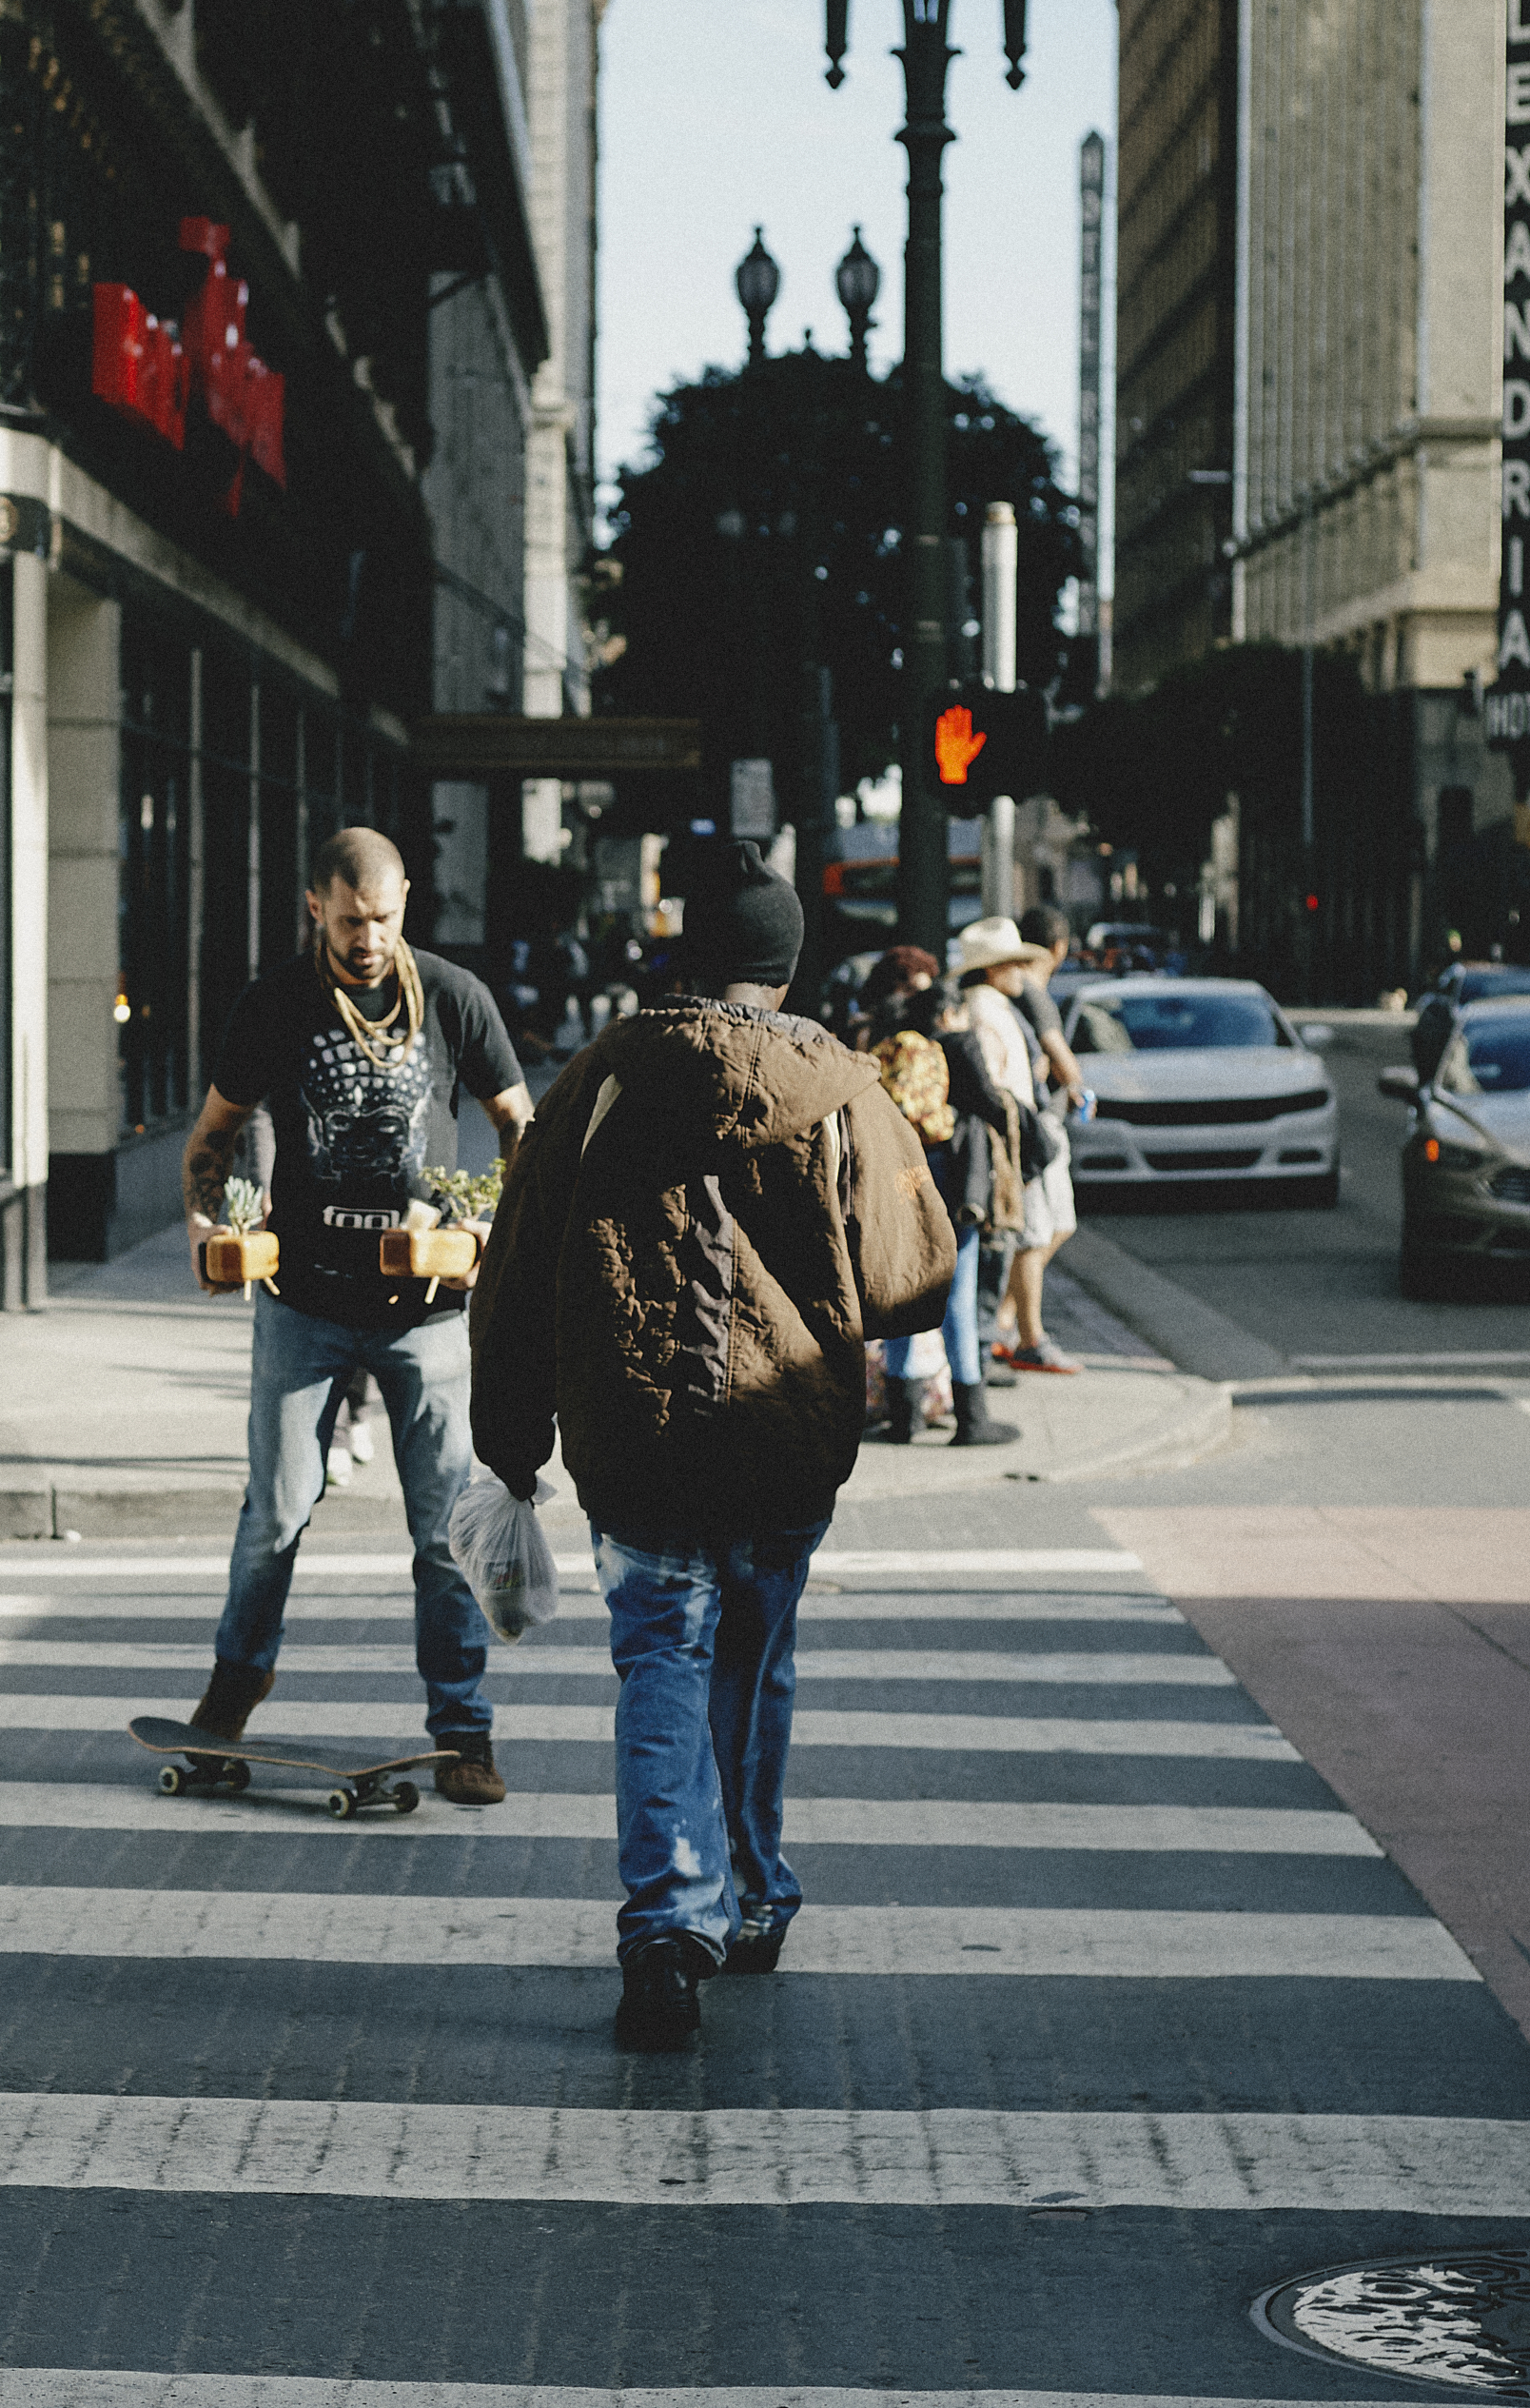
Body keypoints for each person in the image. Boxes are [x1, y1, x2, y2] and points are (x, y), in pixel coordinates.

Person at [471, 865, 937, 2051]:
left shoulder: (603, 1078)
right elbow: (910, 1276)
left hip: (639, 1436)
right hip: (788, 1442)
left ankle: (669, 1931)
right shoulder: (843, 1090)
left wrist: (512, 1447)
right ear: (789, 968)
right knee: (756, 1661)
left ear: (685, 958)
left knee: (661, 1665)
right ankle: (755, 1890)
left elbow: (515, 1275)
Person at [174, 827, 533, 1804]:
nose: (367, 939)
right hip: (304, 1303)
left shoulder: (453, 996)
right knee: (275, 1515)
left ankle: (463, 1729)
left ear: (404, 900)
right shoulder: (277, 1004)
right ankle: (232, 1693)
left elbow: (520, 1126)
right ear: (315, 908)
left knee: (445, 1532)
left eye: (380, 919)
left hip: (428, 1309)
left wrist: (491, 1225)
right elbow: (211, 1137)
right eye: (347, 921)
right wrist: (209, 1226)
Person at [860, 956, 1026, 1452]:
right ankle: (971, 1417)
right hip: (946, 1180)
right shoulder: (956, 1046)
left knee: (902, 1291)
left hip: (896, 1175)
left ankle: (904, 1417)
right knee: (957, 1296)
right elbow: (991, 1106)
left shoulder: (880, 1045)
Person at [991, 905, 1088, 1376]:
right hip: (1036, 1126)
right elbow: (1059, 1056)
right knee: (1036, 1234)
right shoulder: (1033, 993)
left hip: (1031, 1122)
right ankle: (1027, 1337)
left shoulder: (1013, 995)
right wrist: (1078, 1084)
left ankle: (1003, 1321)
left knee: (1054, 1227)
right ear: (1059, 948)